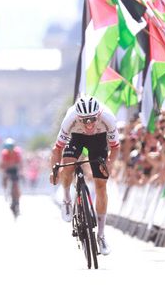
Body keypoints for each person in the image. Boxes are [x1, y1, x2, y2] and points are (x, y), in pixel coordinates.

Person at [50, 95, 119, 256]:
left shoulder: (108, 118)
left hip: (99, 140)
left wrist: (108, 165)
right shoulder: (70, 119)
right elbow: (56, 150)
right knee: (67, 166)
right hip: (76, 138)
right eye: (84, 120)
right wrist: (53, 171)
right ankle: (67, 198)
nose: (89, 124)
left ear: (98, 115)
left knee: (101, 186)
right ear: (78, 117)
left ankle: (101, 235)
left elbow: (115, 148)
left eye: (92, 119)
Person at [0, 138, 22, 215]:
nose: (10, 151)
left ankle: (17, 200)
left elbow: (20, 164)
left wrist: (20, 172)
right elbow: (3, 164)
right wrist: (5, 174)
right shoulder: (4, 153)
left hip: (15, 169)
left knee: (16, 184)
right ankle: (6, 191)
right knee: (4, 178)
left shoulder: (17, 152)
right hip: (7, 169)